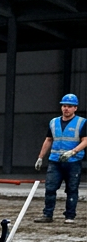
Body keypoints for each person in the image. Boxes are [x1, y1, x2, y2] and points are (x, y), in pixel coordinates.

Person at [35, 93, 86, 224]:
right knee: (50, 188)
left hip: (73, 162)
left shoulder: (81, 123)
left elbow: (85, 141)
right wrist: (40, 157)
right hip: (55, 161)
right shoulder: (54, 122)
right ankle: (47, 214)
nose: (66, 109)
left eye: (69, 106)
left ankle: (70, 216)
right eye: (64, 106)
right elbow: (48, 140)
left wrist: (73, 152)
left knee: (72, 189)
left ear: (75, 108)